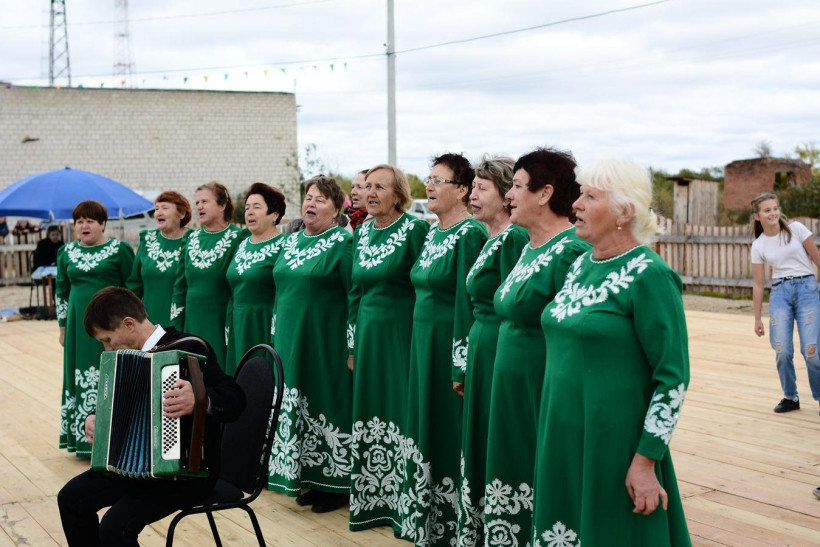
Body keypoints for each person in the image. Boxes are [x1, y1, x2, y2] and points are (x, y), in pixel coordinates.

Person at [532, 159, 690, 546]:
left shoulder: (650, 274)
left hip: (614, 443)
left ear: (624, 212)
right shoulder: (580, 265)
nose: (576, 204)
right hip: (561, 433)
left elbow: (672, 377)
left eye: (590, 196)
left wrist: (646, 459)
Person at [57, 286, 245, 547]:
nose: (107, 347)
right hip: (133, 470)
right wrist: (92, 418)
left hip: (184, 475)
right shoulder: (122, 359)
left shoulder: (188, 347)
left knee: (115, 527)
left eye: (108, 339)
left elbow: (236, 399)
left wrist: (201, 399)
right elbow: (113, 404)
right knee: (70, 499)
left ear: (129, 324)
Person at [481, 147, 589, 546]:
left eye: (517, 186)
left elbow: (577, 332)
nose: (509, 195)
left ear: (545, 194)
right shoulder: (528, 247)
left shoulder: (571, 251)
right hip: (512, 388)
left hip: (542, 388)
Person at [399, 153, 488, 545]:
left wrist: (460, 364)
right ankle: (425, 517)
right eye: (429, 178)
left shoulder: (469, 235)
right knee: (425, 427)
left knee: (448, 431)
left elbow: (468, 305)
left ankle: (455, 524)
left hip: (447, 351)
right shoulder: (432, 233)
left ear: (463, 190)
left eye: (439, 180)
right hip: (422, 347)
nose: (430, 186)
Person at [347, 165, 430, 533]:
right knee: (371, 408)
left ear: (399, 194)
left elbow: (425, 286)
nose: (371, 193)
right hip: (367, 335)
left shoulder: (416, 230)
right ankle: (373, 501)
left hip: (401, 334)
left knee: (400, 408)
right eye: (368, 187)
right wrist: (352, 345)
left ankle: (405, 504)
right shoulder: (362, 232)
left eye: (380, 187)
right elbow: (354, 292)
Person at [267, 175, 354, 513]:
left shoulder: (343, 243)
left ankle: (335, 484)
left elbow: (353, 295)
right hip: (289, 338)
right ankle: (308, 478)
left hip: (324, 341)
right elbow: (280, 290)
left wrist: (351, 344)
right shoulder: (291, 241)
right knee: (296, 404)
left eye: (320, 199)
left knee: (325, 402)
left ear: (336, 209)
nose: (311, 203)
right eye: (308, 197)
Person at [454, 154, 528, 546]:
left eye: (482, 189)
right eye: (473, 188)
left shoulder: (513, 239)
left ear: (504, 195)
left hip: (499, 347)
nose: (473, 195)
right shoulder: (491, 238)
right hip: (482, 348)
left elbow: (514, 305)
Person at [56, 200, 135, 457]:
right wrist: (63, 327)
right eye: (79, 221)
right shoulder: (66, 252)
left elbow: (132, 288)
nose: (84, 225)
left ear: (102, 224)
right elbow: (61, 291)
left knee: (111, 373)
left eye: (90, 221)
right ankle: (82, 439)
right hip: (77, 330)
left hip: (111, 327)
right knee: (77, 374)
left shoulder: (119, 250)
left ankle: (114, 437)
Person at [751, 192, 820, 414]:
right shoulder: (759, 245)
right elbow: (758, 284)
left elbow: (817, 259)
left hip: (807, 289)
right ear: (757, 216)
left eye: (775, 208)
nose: (773, 213)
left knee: (811, 351)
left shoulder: (797, 229)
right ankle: (791, 397)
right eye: (767, 210)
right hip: (780, 293)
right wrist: (757, 318)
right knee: (782, 351)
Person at [170, 182, 246, 368]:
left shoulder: (239, 238)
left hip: (221, 321)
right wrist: (176, 328)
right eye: (197, 203)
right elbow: (180, 286)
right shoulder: (190, 238)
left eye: (205, 201)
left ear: (222, 205)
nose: (199, 207)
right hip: (192, 322)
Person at [224, 183, 287, 376]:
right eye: (247, 208)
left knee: (261, 379)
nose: (249, 212)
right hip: (238, 322)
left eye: (257, 207)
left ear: (274, 215)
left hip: (264, 322)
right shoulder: (242, 244)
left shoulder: (284, 245)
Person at [127, 191, 192, 326]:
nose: (158, 213)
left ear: (181, 214)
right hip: (149, 322)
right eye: (156, 209)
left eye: (165, 208)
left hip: (185, 321)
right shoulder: (147, 239)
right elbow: (135, 285)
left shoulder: (193, 240)